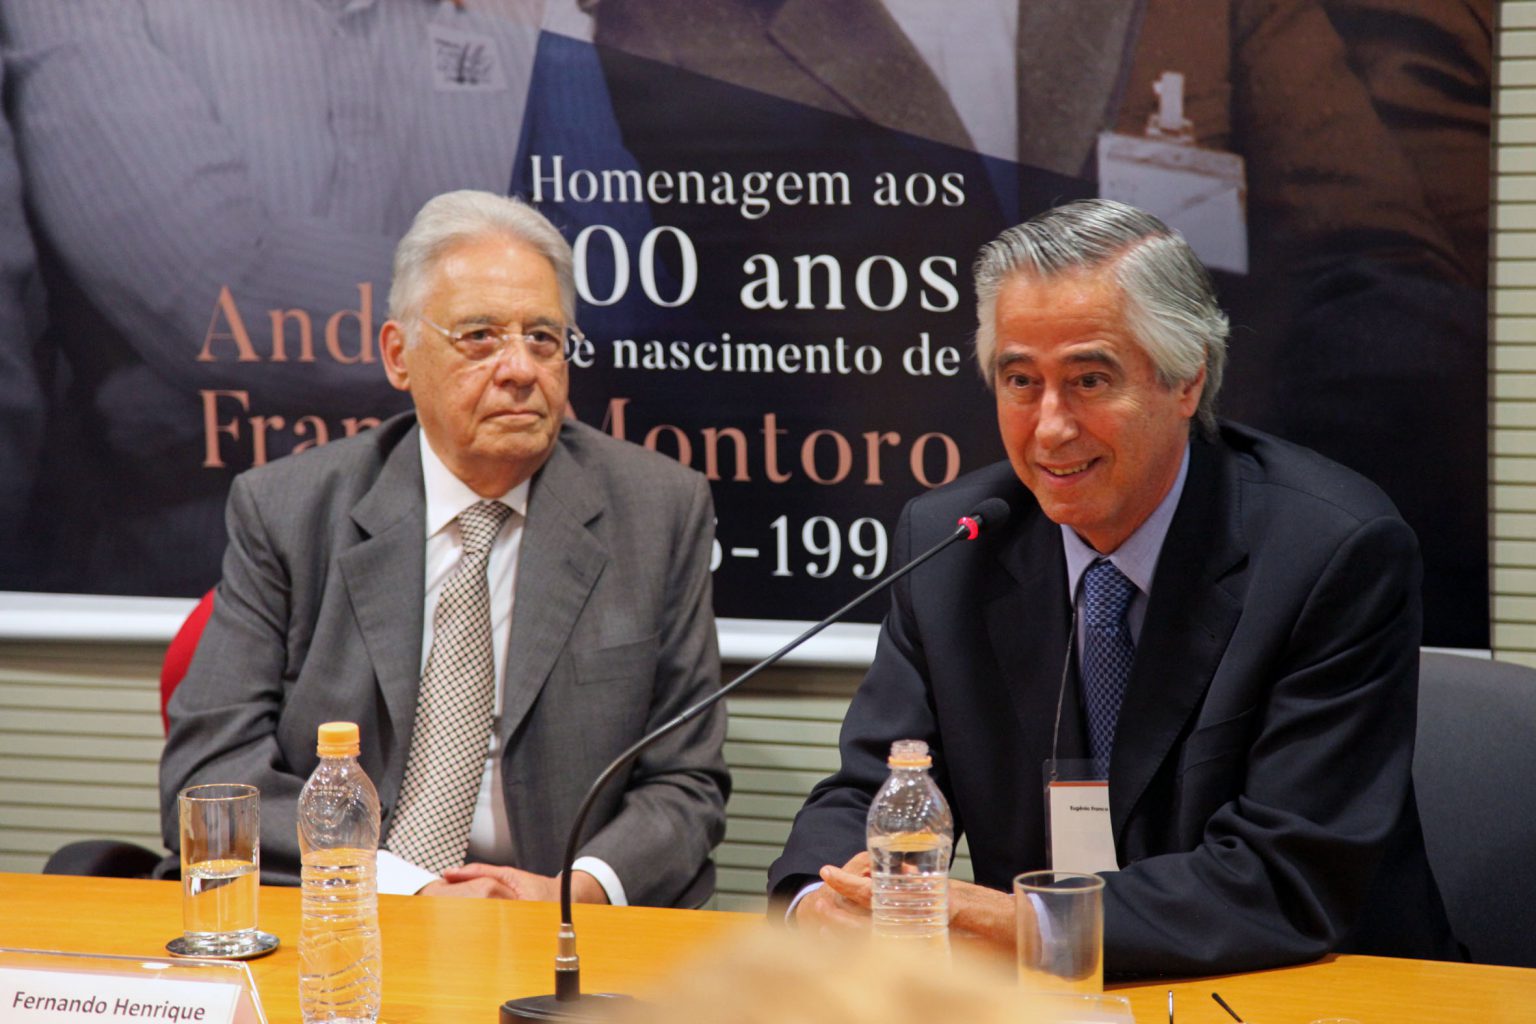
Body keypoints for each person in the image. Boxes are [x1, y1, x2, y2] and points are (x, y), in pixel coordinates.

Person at [768, 199, 1457, 976]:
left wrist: (1009, 918)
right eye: (1020, 381)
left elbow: (1283, 876)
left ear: (1187, 379)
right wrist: (817, 901)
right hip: (1051, 995)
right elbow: (873, 785)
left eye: (1090, 380)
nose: (1051, 427)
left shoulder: (1329, 553)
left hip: (1308, 989)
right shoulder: (953, 545)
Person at [159, 190, 729, 908]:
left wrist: (570, 892)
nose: (520, 368)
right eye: (480, 336)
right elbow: (211, 779)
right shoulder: (287, 510)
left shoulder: (657, 510)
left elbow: (685, 782)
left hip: (558, 921)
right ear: (399, 355)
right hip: (352, 909)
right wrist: (409, 888)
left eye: (543, 338)